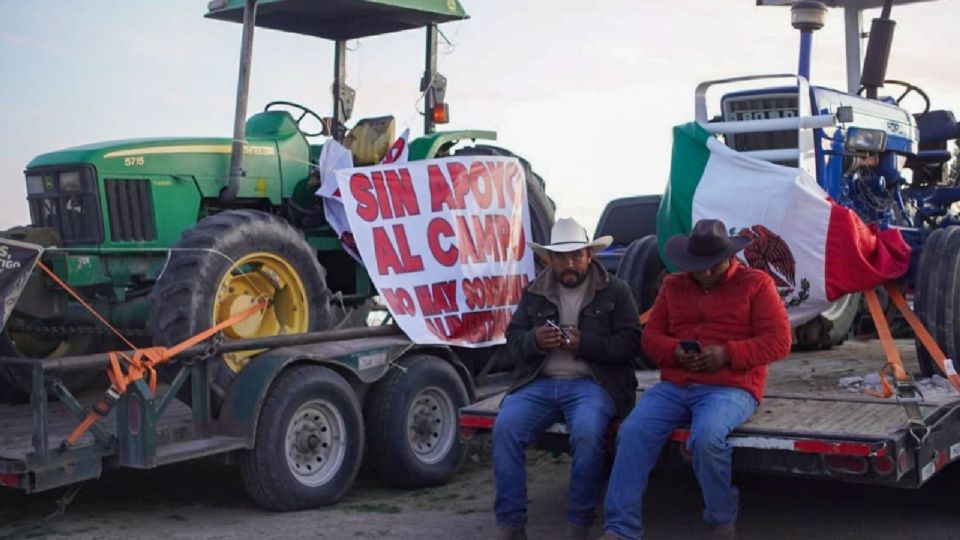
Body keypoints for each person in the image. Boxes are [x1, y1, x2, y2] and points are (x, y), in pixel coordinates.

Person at [599, 219, 792, 540]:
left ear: (729, 257)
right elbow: (650, 338)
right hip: (675, 385)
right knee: (632, 433)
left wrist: (726, 354)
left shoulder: (757, 284)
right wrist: (675, 351)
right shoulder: (674, 285)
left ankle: (721, 518)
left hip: (731, 386)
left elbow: (779, 341)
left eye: (711, 266)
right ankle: (620, 528)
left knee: (706, 438)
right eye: (697, 266)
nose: (704, 272)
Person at [493, 218, 642, 540]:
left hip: (593, 384)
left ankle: (578, 525)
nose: (569, 263)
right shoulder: (534, 291)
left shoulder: (616, 289)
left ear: (590, 255)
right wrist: (534, 340)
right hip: (539, 382)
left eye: (576, 256)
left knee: (588, 435)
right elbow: (513, 340)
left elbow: (631, 344)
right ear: (549, 259)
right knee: (505, 428)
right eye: (561, 257)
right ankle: (511, 525)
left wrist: (583, 344)